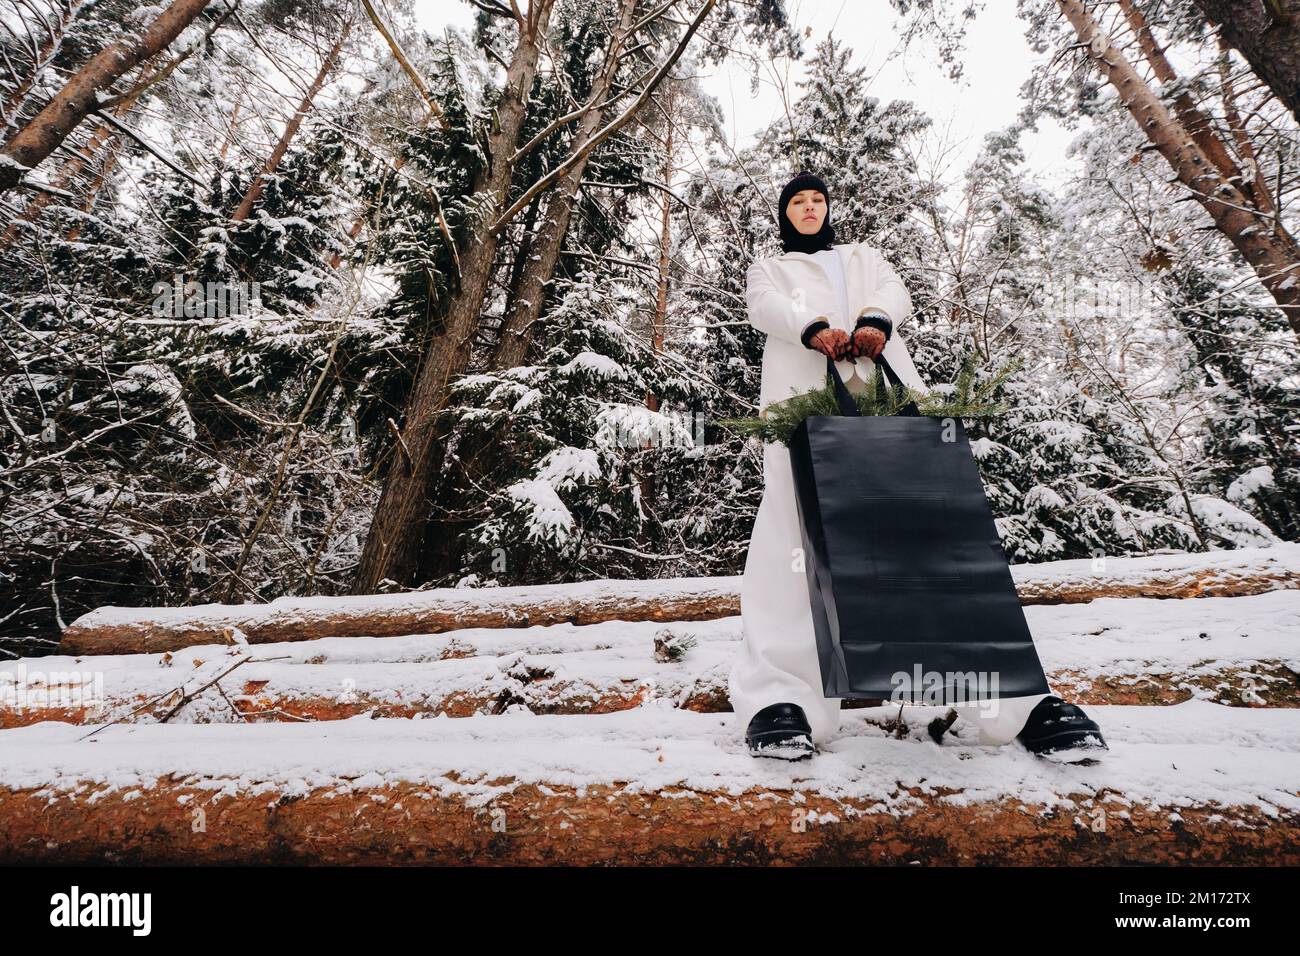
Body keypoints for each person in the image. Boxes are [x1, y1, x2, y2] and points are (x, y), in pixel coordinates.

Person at [730, 170, 1108, 761]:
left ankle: (1011, 699)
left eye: (817, 200)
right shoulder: (770, 268)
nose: (808, 208)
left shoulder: (862, 256)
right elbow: (765, 307)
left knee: (936, 532)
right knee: (792, 537)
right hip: (800, 409)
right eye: (797, 202)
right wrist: (812, 330)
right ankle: (783, 699)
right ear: (785, 214)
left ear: (828, 209)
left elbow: (891, 289)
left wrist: (875, 321)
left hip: (890, 402)